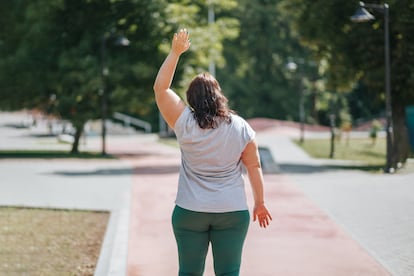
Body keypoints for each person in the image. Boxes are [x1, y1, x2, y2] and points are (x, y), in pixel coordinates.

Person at [153, 28, 272, 276]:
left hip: (189, 211)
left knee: (189, 273)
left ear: (190, 98)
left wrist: (175, 53)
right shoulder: (240, 127)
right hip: (231, 210)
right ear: (219, 96)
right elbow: (254, 167)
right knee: (229, 272)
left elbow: (161, 89)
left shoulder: (183, 120)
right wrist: (260, 203)